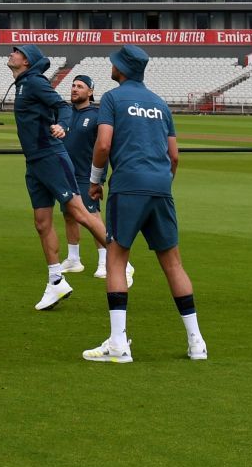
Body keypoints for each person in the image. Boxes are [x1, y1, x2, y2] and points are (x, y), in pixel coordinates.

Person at [82, 45, 206, 363]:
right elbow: (174, 155)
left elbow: (104, 143)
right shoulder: (160, 104)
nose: (111, 65)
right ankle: (197, 343)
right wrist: (162, 182)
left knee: (116, 259)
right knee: (173, 263)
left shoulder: (112, 98)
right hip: (161, 187)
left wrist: (95, 180)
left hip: (128, 187)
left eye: (114, 62)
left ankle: (118, 343)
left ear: (121, 68)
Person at [7, 45, 123, 312]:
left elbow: (62, 107)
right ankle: (56, 280)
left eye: (17, 51)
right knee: (41, 222)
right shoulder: (23, 84)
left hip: (50, 156)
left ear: (26, 61)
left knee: (79, 213)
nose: (11, 53)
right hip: (34, 161)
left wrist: (63, 125)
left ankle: (121, 259)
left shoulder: (34, 82)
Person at [58, 73, 107, 279]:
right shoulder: (64, 114)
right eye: (73, 85)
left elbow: (104, 149)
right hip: (65, 174)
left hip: (87, 175)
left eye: (80, 86)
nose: (75, 89)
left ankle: (105, 260)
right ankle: (73, 259)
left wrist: (100, 179)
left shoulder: (97, 116)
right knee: (69, 215)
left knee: (92, 216)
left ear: (90, 91)